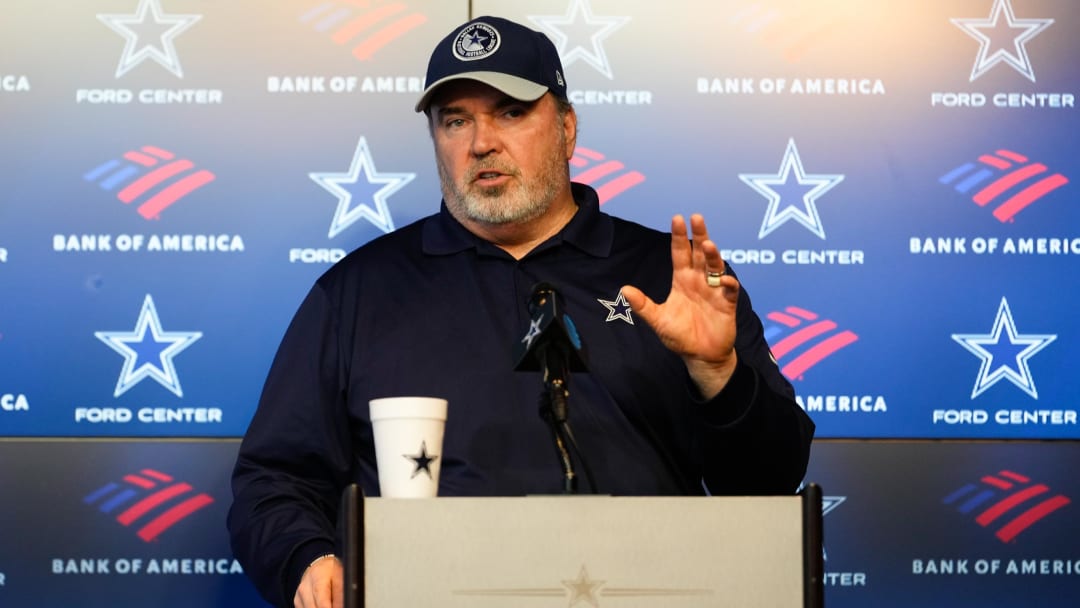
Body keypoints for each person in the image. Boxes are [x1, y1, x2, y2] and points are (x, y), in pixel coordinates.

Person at [228, 15, 815, 608]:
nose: (481, 142)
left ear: (566, 127)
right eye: (456, 120)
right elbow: (274, 479)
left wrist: (718, 375)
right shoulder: (357, 291)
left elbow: (768, 484)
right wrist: (308, 555)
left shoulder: (671, 278)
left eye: (510, 111)